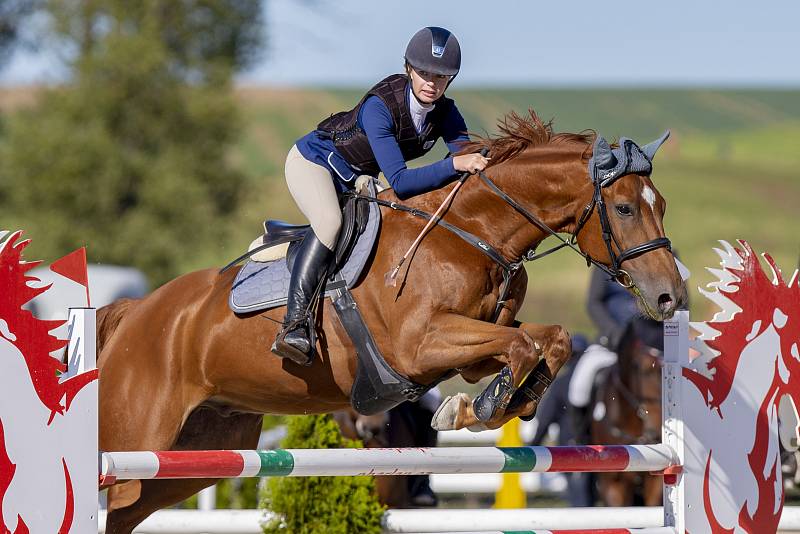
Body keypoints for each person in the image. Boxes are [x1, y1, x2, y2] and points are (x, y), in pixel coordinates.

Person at [273, 27, 489, 364]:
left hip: (357, 178)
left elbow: (469, 154)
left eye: (442, 76)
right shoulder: (381, 106)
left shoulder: (446, 112)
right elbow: (401, 183)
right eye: (424, 72)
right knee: (330, 222)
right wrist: (455, 164)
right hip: (314, 163)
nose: (431, 82)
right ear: (408, 69)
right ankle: (294, 324)